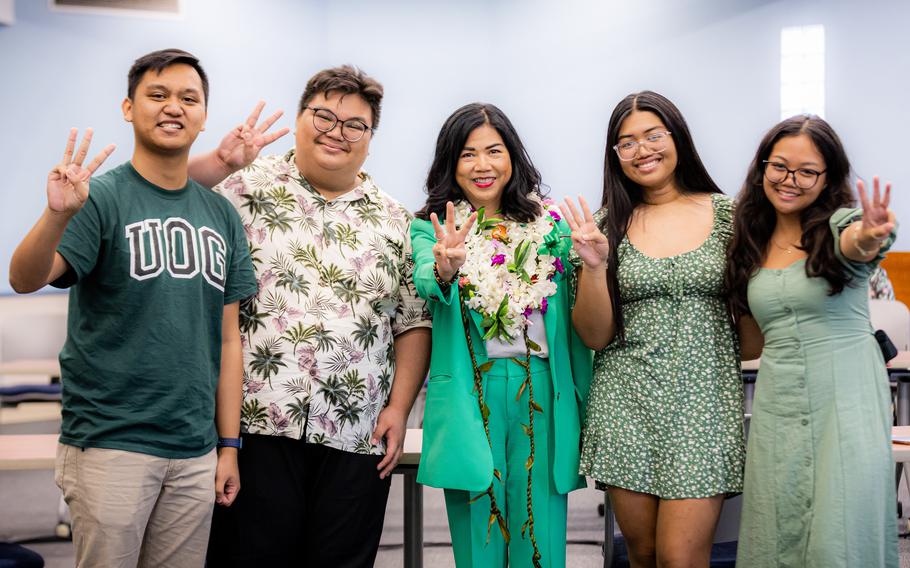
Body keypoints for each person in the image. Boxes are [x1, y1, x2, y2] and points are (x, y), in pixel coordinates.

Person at [7, 48, 257, 568]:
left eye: (189, 98)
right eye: (157, 95)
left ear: (204, 115)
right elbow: (24, 278)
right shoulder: (98, 197)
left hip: (193, 446)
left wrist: (227, 444)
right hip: (110, 441)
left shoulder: (221, 215)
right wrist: (55, 216)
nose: (174, 107)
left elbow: (229, 339)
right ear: (128, 107)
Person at [189, 65, 432, 567]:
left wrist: (400, 407)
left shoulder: (395, 220)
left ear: (370, 137)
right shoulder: (241, 188)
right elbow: (166, 191)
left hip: (356, 429)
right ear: (300, 118)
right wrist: (217, 161)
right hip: (254, 425)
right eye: (323, 115)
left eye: (354, 125)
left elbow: (412, 322)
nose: (336, 132)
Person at [562, 91, 744, 567]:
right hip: (627, 404)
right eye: (626, 143)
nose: (641, 150)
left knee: (680, 558)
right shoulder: (603, 226)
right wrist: (596, 266)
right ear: (614, 155)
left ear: (677, 137)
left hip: (704, 408)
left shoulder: (729, 216)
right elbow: (595, 336)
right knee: (642, 555)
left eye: (652, 135)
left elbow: (751, 340)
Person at [411, 102, 592, 568]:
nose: (483, 165)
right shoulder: (431, 227)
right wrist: (446, 267)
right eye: (468, 154)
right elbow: (429, 278)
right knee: (480, 540)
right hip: (476, 391)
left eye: (494, 150)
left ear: (513, 156)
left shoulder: (550, 225)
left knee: (541, 541)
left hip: (543, 388)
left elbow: (575, 315)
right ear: (451, 163)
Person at [726, 115, 898, 567]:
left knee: (837, 531)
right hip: (778, 399)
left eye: (807, 172)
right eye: (779, 166)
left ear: (828, 177)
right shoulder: (750, 239)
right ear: (762, 167)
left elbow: (859, 244)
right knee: (777, 525)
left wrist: (872, 234)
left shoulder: (841, 224)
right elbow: (749, 340)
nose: (790, 180)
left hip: (846, 397)